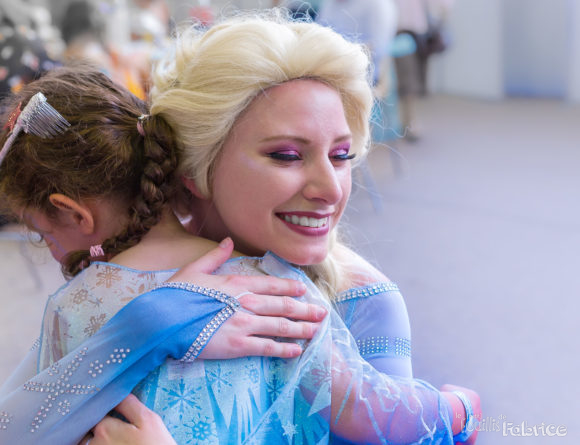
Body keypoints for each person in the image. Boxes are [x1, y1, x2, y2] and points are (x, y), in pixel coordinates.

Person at [0, 13, 479, 445]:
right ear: (196, 169)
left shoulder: (365, 301)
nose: (331, 190)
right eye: (286, 155)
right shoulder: (278, 293)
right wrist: (146, 326)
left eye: (342, 155)